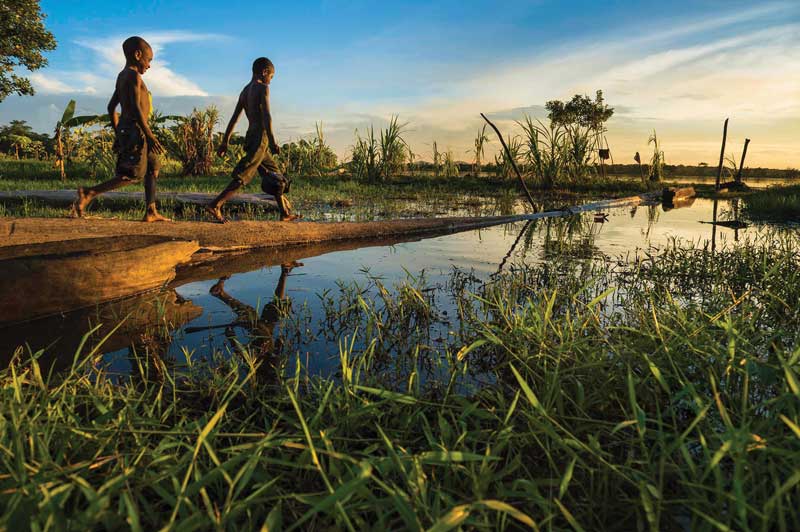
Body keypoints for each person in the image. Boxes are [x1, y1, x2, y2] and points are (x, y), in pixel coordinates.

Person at [74, 36, 168, 222]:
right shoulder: (133, 76)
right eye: (148, 60)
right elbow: (135, 108)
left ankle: (151, 211)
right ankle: (89, 193)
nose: (149, 65)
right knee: (131, 175)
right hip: (136, 130)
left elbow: (111, 108)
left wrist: (118, 133)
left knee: (153, 167)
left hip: (131, 130)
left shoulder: (122, 76)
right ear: (137, 55)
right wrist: (149, 136)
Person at [206, 57, 299, 223]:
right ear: (264, 72)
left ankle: (284, 213)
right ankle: (215, 205)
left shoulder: (245, 91)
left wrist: (225, 141)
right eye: (271, 76)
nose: (270, 80)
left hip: (250, 137)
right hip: (259, 139)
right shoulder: (262, 88)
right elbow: (267, 116)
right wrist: (271, 141)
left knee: (276, 176)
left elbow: (234, 118)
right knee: (243, 174)